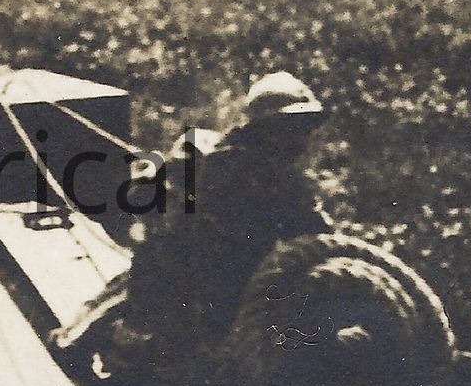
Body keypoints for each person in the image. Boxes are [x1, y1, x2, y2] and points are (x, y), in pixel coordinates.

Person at [115, 70, 334, 362]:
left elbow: (139, 200)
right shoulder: (276, 179)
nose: (301, 138)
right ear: (268, 128)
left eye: (304, 127)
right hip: (215, 306)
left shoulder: (208, 154)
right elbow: (321, 242)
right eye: (292, 127)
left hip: (175, 293)